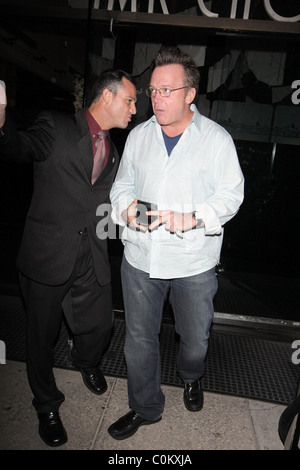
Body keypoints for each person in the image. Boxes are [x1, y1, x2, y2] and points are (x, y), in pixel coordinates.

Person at [108, 47, 244, 440]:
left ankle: (191, 376)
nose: (157, 99)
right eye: (153, 91)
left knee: (195, 338)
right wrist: (127, 209)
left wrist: (196, 216)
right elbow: (122, 187)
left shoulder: (216, 140)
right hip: (140, 256)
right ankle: (145, 407)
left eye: (167, 91)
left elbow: (232, 194)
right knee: (138, 340)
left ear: (189, 94)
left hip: (193, 261)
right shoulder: (138, 136)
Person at [0, 71, 136, 447]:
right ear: (107, 97)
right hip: (47, 255)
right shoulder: (56, 126)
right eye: (130, 100)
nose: (134, 109)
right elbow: (16, 147)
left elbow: (110, 200)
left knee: (100, 325)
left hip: (90, 255)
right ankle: (46, 404)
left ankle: (85, 360)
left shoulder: (114, 150)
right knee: (40, 337)